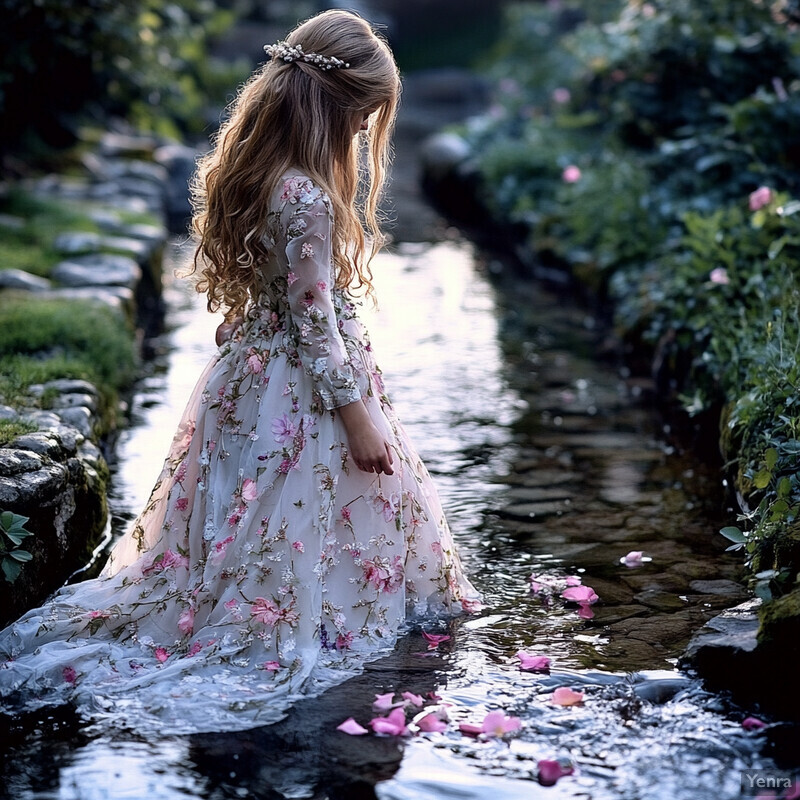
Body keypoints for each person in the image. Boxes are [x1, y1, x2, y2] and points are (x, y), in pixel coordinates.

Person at [0, 9, 479, 734]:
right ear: (333, 106)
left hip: (249, 381)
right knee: (308, 505)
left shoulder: (264, 174)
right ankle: (298, 615)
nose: (361, 134)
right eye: (361, 118)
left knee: (248, 516)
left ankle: (248, 594)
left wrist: (257, 323)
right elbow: (314, 320)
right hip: (309, 391)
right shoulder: (308, 196)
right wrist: (357, 417)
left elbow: (270, 293)